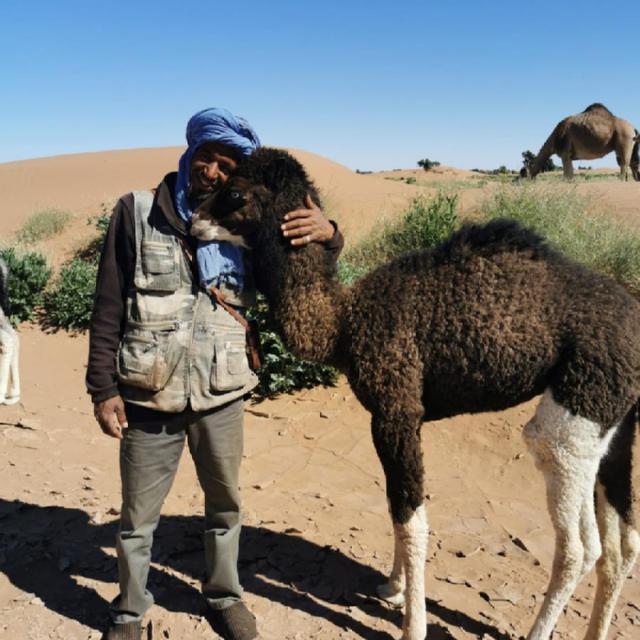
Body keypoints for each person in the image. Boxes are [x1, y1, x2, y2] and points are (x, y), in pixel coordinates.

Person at [87, 107, 344, 640]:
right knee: (138, 516)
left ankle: (225, 596)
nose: (213, 172)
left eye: (227, 166)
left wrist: (331, 234)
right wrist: (102, 388)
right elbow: (108, 303)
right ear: (190, 153)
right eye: (207, 157)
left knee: (225, 505)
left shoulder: (247, 220)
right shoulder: (136, 211)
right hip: (149, 391)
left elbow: (300, 274)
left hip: (222, 390)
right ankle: (129, 611)